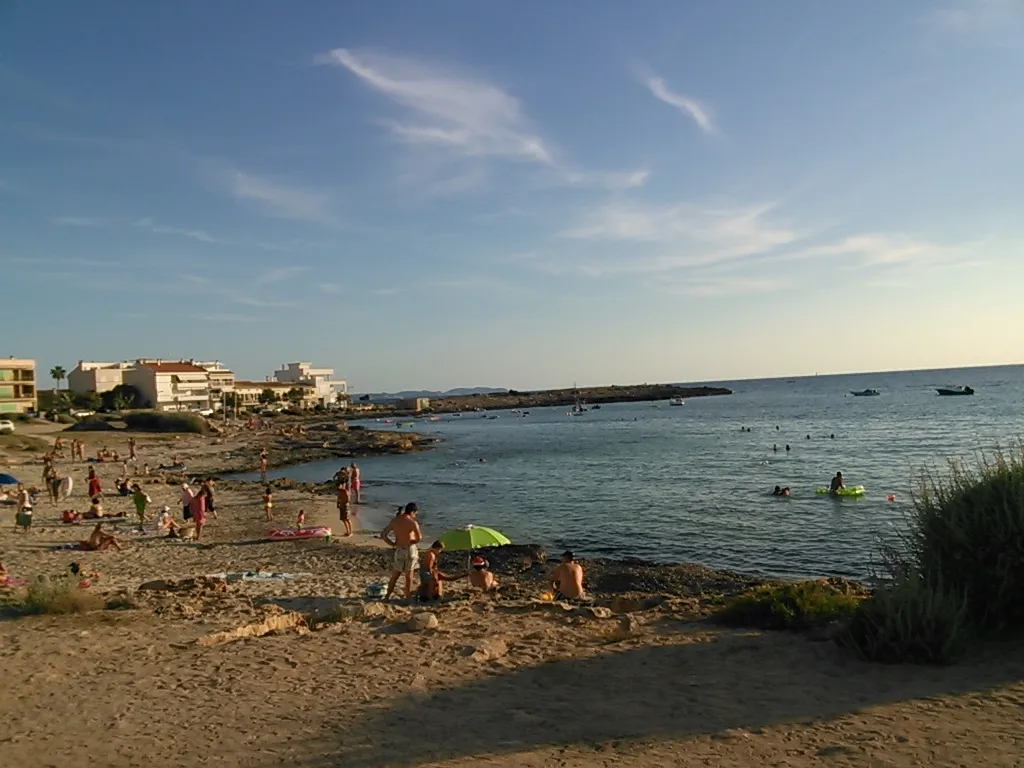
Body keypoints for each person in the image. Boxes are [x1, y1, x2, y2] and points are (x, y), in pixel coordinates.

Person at [381, 502, 423, 600]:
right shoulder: (412, 523)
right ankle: (408, 596)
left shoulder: (395, 521)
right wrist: (413, 541)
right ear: (412, 512)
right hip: (409, 549)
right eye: (415, 513)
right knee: (409, 575)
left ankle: (387, 595)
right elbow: (419, 538)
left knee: (395, 575)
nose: (415, 515)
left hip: (399, 549)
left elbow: (383, 535)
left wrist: (392, 543)